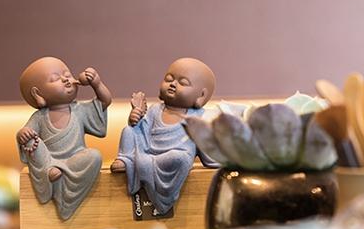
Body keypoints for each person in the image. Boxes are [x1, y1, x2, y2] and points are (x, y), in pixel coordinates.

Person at [111, 57, 218, 215]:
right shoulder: (156, 110)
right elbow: (141, 129)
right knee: (128, 131)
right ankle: (126, 159)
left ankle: (140, 167)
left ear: (201, 96)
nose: (173, 84)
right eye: (169, 79)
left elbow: (206, 147)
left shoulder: (199, 118)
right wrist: (135, 117)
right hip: (147, 151)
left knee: (180, 158)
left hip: (169, 161)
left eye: (183, 83)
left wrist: (218, 160)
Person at [16, 57, 112, 220]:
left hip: (74, 161)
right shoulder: (40, 117)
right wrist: (22, 133)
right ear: (37, 94)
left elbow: (104, 101)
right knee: (31, 140)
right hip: (49, 163)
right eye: (55, 79)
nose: (66, 79)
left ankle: (62, 187)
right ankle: (48, 172)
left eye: (67, 74)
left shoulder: (79, 110)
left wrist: (96, 84)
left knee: (94, 156)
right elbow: (26, 136)